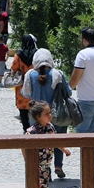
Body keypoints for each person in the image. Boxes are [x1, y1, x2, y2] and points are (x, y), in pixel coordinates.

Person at [22, 48, 69, 178]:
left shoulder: (30, 74)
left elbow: (25, 93)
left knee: (39, 144)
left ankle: (41, 170)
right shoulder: (57, 73)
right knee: (58, 138)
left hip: (36, 115)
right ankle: (58, 166)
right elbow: (69, 92)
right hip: (54, 113)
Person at [26, 102, 72, 188]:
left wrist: (63, 149)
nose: (50, 115)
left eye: (50, 112)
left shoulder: (50, 127)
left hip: (46, 165)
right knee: (36, 186)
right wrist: (27, 160)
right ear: (38, 117)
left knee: (44, 186)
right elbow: (24, 146)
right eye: (46, 113)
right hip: (36, 165)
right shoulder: (33, 131)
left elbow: (55, 140)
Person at [11, 34, 37, 131]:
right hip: (35, 86)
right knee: (35, 109)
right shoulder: (37, 54)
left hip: (22, 87)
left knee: (23, 110)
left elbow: (13, 69)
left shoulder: (19, 55)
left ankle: (26, 130)